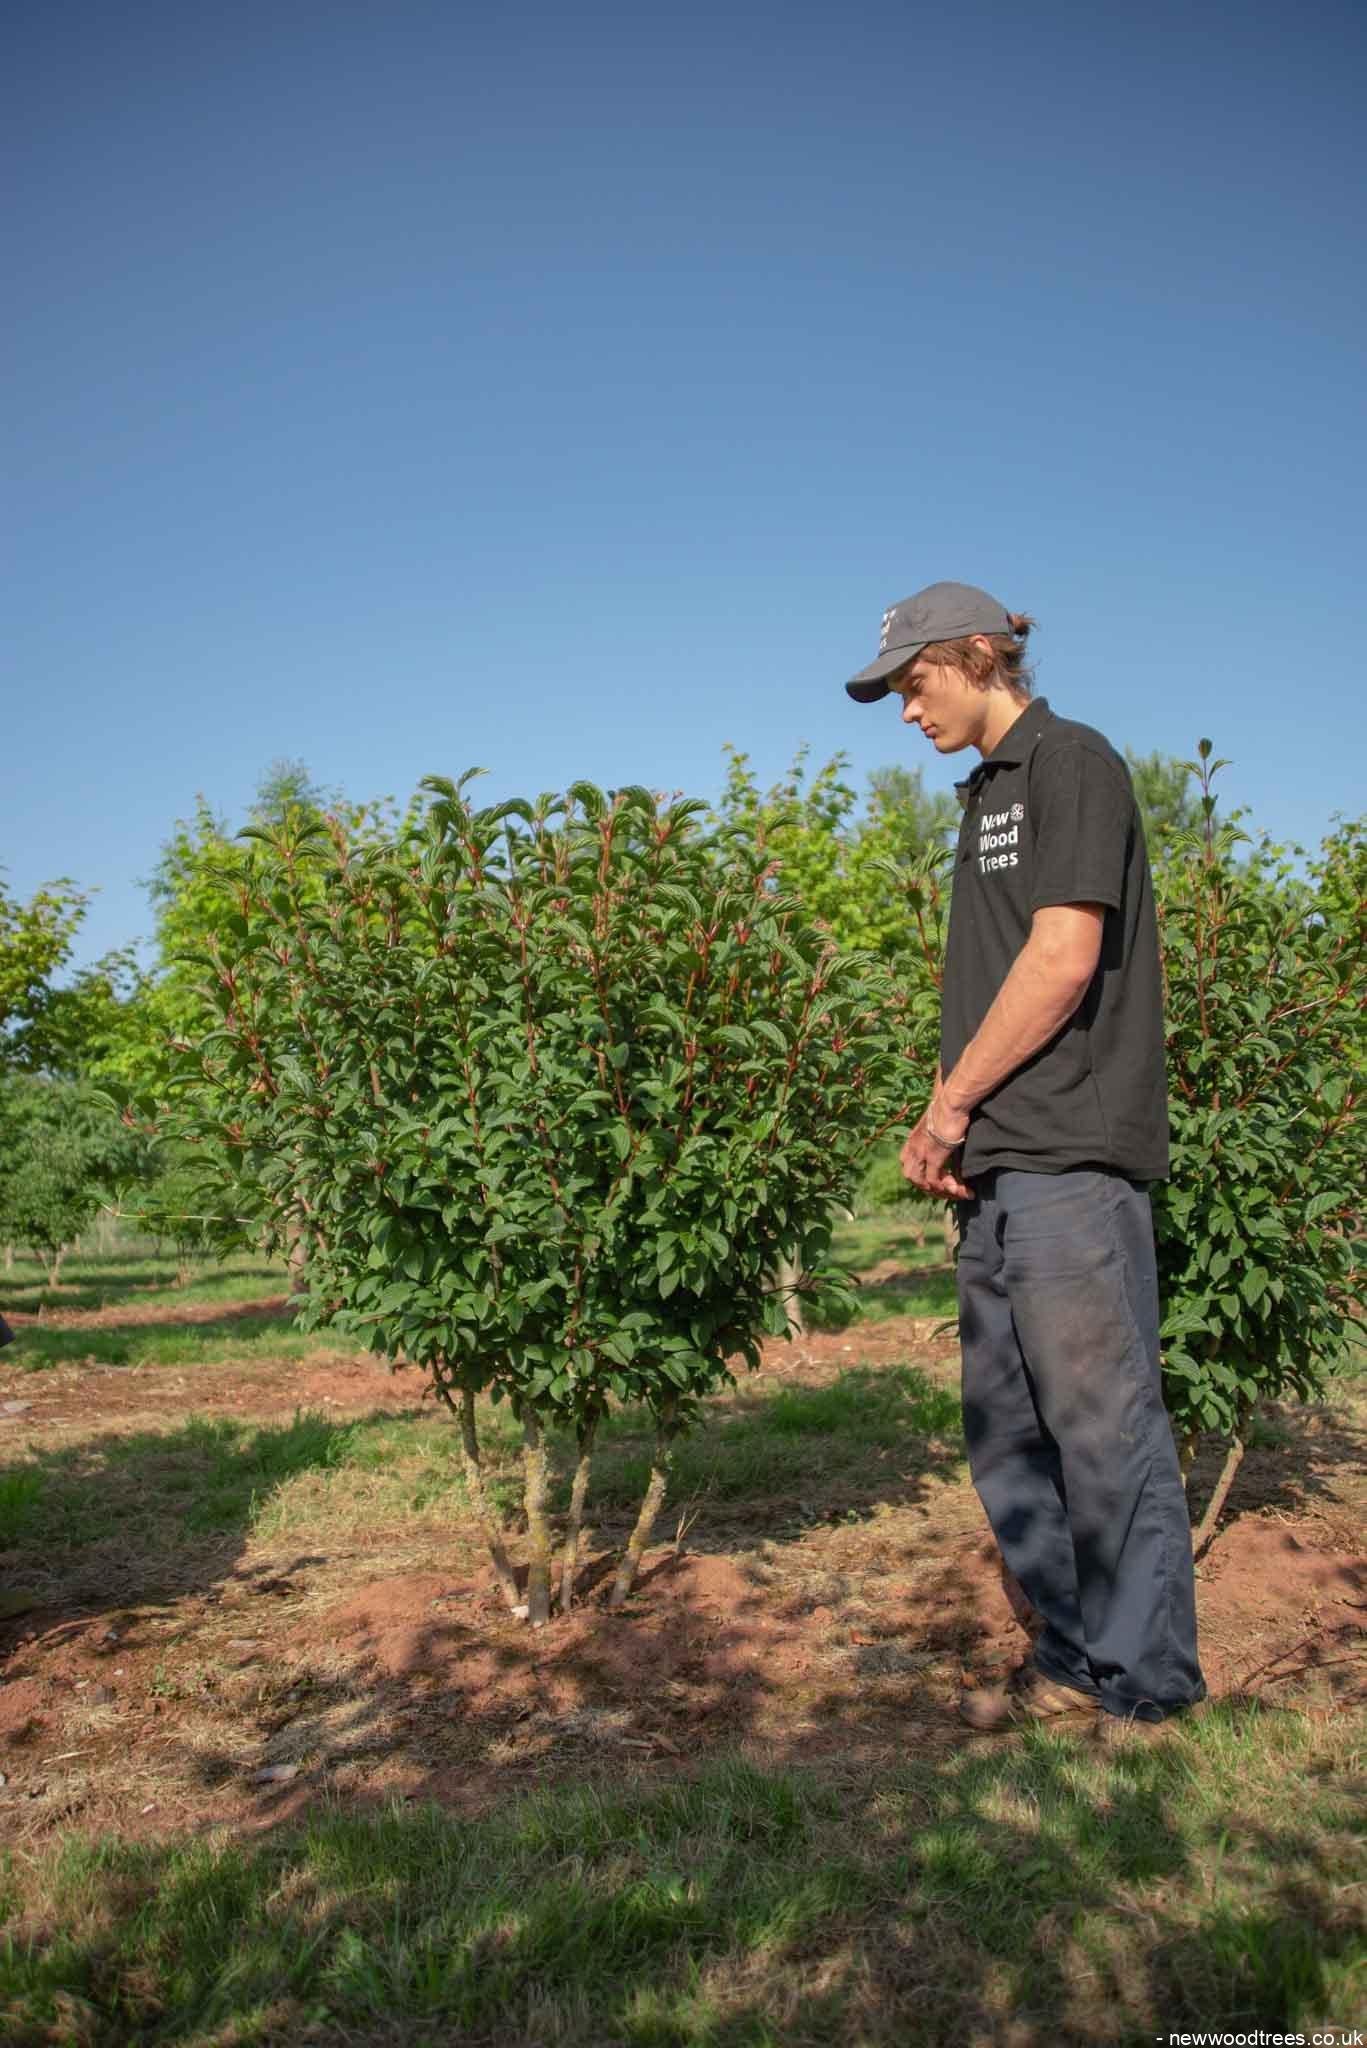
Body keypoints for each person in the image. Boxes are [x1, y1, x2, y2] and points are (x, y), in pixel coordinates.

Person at [844, 580, 1205, 1741]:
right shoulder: (983, 793)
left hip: (1070, 1152)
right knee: (1004, 1424)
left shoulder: (1070, 762)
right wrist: (952, 1120)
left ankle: (1145, 1679)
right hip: (999, 1160)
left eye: (914, 682)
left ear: (978, 655)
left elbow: (1060, 956)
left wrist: (948, 1107)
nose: (904, 709)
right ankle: (1068, 1643)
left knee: (1100, 1420)